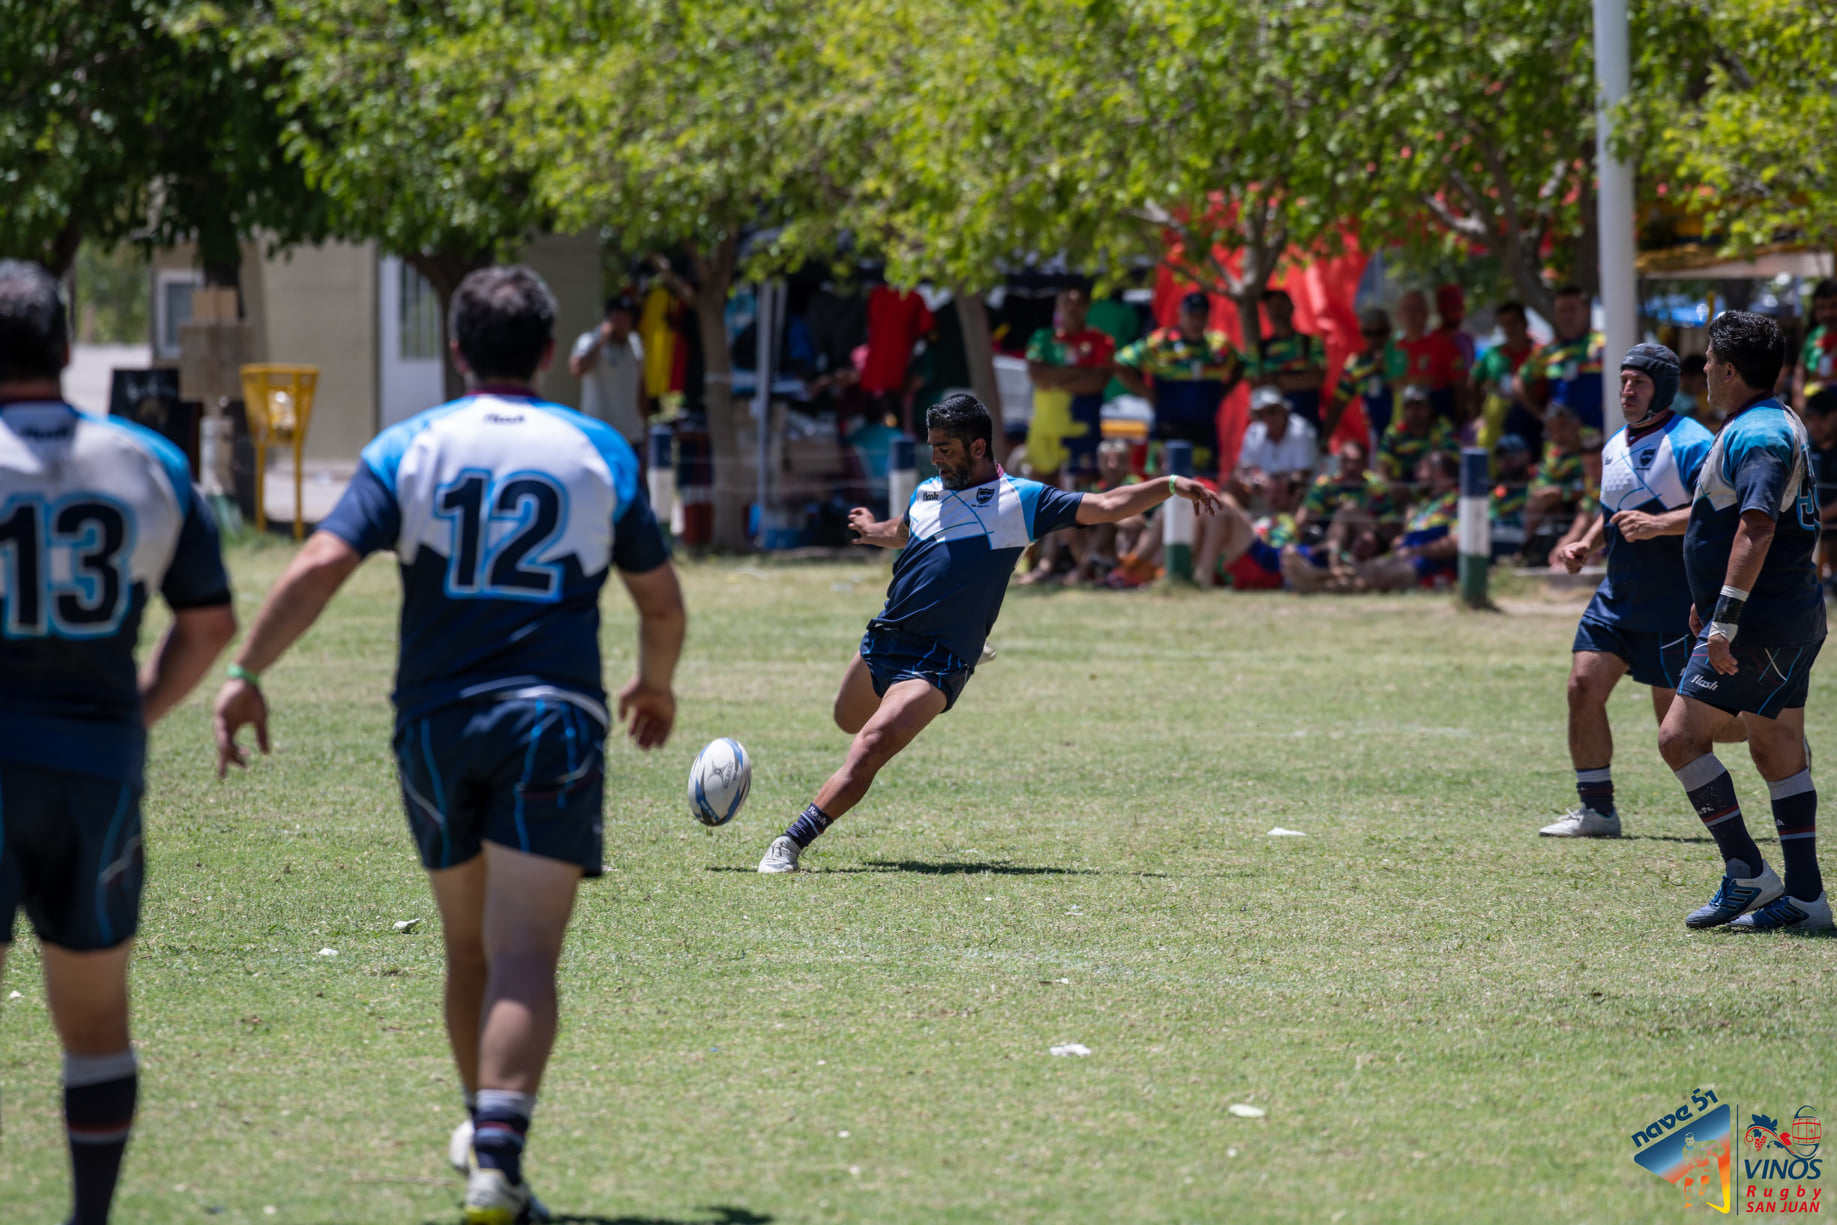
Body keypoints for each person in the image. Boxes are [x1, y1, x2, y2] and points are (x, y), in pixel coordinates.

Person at [212, 266, 687, 1220]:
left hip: (434, 724)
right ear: (548, 352)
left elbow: (321, 560)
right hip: (551, 717)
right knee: (525, 956)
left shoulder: (411, 444)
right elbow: (660, 599)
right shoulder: (596, 448)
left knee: (468, 949)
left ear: (457, 349)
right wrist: (655, 681)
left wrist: (247, 670)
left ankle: (484, 1137)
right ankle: (497, 1161)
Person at [0, 260, 238, 1225]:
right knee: (95, 1017)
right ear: (66, 349)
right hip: (95, 770)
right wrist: (131, 714)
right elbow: (208, 624)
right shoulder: (148, 462)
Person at [755, 393, 1223, 873]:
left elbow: (1106, 505)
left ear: (978, 447)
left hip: (938, 659)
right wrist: (875, 530)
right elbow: (907, 529)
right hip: (887, 636)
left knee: (871, 744)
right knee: (846, 719)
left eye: (946, 448)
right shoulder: (927, 491)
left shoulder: (1021, 501)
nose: (936, 458)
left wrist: (1170, 484)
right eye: (932, 447)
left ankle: (790, 842)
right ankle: (968, 639)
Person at [1656, 310, 1829, 931]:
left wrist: (1724, 619)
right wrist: (1710, 596)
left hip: (1757, 624)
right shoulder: (1770, 420)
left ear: (1729, 369)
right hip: (1787, 614)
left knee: (1678, 738)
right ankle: (1806, 898)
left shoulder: (1758, 433)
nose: (1701, 368)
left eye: (1707, 359)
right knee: (1776, 745)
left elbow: (1757, 528)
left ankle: (1747, 871)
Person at [1539, 345, 1729, 838]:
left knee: (1684, 725)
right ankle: (1598, 811)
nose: (1627, 390)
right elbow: (1613, 511)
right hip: (1616, 598)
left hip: (1673, 604)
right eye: (1624, 381)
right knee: (1582, 686)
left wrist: (1659, 524)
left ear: (1661, 388)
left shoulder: (1692, 442)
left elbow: (1718, 512)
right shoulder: (1614, 445)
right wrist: (1587, 543)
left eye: (1638, 382)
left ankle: (1769, 726)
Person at [1115, 290, 1243, 475]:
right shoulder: (1161, 342)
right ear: (1180, 314)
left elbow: (1241, 365)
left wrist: (1222, 392)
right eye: (1192, 315)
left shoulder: (1218, 345)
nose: (1197, 321)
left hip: (1204, 432)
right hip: (1166, 431)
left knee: (1204, 485)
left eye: (1202, 315)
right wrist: (1146, 393)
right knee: (1161, 485)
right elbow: (1121, 363)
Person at [1023, 286, 1115, 485]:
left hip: (1082, 428)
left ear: (1087, 307)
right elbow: (1035, 372)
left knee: (1083, 487)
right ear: (1057, 307)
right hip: (1045, 429)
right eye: (1066, 303)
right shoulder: (1042, 338)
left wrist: (1054, 378)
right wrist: (1082, 372)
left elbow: (1098, 381)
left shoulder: (1101, 341)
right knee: (1041, 486)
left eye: (1078, 303)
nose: (1072, 308)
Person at [1517, 285, 1606, 432]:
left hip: (1599, 435)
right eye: (1561, 311)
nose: (1566, 316)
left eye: (1572, 309)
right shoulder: (1547, 351)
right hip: (1560, 439)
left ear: (1586, 311)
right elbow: (1519, 382)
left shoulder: (1603, 344)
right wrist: (1541, 415)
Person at [568, 292, 647, 447]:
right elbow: (577, 369)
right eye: (619, 317)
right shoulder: (589, 340)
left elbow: (641, 387)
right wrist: (600, 341)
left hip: (630, 436)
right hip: (599, 434)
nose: (623, 323)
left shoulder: (635, 343)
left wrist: (646, 427)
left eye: (627, 317)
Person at [1325, 306, 1406, 444]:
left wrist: (1386, 369)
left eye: (1380, 333)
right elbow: (1338, 404)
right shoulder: (1356, 363)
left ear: (1389, 332)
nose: (1375, 339)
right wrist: (1324, 438)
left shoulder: (1402, 355)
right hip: (1378, 437)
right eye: (1369, 333)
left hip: (1408, 432)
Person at [1250, 288, 1328, 430]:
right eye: (1272, 306)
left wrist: (1274, 381)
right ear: (1265, 312)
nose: (1277, 310)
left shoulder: (1311, 343)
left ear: (1292, 307)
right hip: (1272, 433)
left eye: (1281, 305)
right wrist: (1299, 380)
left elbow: (1317, 379)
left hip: (1307, 426)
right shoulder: (1258, 349)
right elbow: (1256, 385)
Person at [1520, 404, 1588, 561]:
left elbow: (1595, 481)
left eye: (1562, 428)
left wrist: (1562, 493)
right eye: (1551, 431)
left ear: (1576, 424)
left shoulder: (1591, 443)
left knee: (1585, 504)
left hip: (1590, 497)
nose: (1557, 436)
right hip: (1562, 501)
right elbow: (1540, 484)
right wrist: (1556, 494)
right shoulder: (1553, 454)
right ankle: (1526, 550)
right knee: (1536, 500)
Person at [1473, 301, 1539, 455]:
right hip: (1496, 424)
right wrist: (1476, 415)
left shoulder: (1539, 353)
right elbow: (1474, 382)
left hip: (1531, 422)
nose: (1509, 328)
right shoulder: (1492, 354)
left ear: (1524, 323)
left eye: (1513, 322)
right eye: (1504, 324)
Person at [1395, 289, 1468, 423]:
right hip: (1403, 426)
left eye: (1416, 309)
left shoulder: (1442, 343)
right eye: (1407, 309)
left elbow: (1460, 385)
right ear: (1399, 314)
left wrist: (1459, 419)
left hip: (1438, 424)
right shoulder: (1393, 348)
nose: (1411, 314)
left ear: (1426, 313)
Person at [1235, 384, 1319, 495]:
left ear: (1283, 409)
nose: (1267, 418)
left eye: (1272, 411)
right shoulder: (1254, 431)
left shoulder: (1302, 430)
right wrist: (1250, 482)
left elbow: (1303, 475)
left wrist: (1272, 482)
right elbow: (1243, 468)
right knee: (1229, 490)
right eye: (1260, 414)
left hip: (1293, 494)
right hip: (1259, 494)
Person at [1375, 383, 1458, 492]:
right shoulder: (1394, 432)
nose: (1414, 411)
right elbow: (1381, 469)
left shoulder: (1443, 428)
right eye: (1409, 406)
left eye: (1419, 405)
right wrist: (1392, 489)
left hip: (1436, 490)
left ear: (1429, 407)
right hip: (1401, 491)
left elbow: (1451, 465)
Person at [1791, 278, 1837, 408]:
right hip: (1814, 411)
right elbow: (1800, 376)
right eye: (1821, 308)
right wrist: (1800, 408)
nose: (1828, 313)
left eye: (1834, 306)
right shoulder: (1813, 336)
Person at [1488, 434, 1534, 559]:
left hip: (1529, 546)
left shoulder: (1536, 484)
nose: (1505, 461)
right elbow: (1489, 518)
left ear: (1526, 456)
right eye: (1500, 456)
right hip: (1496, 545)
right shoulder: (1497, 492)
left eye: (1511, 456)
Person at [1676, 352, 1710, 424]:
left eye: (1705, 385)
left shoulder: (1692, 397)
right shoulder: (1673, 401)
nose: (1703, 389)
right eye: (1700, 383)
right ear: (1687, 378)